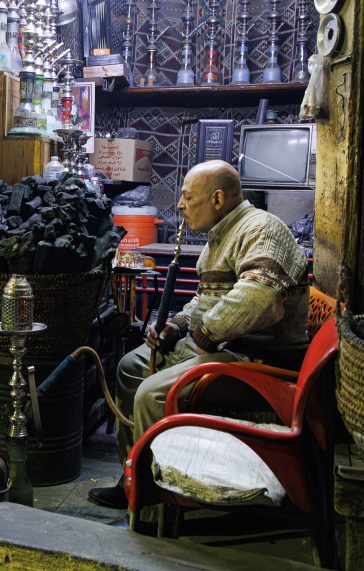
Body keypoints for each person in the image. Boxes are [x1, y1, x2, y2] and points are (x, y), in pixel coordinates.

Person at [88, 159, 310, 509]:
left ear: (218, 199)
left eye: (188, 197)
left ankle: (154, 497)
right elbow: (205, 299)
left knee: (150, 394)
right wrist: (176, 326)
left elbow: (257, 298)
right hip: (224, 348)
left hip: (255, 361)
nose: (180, 205)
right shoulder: (219, 236)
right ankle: (133, 476)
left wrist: (201, 338)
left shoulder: (261, 230)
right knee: (130, 367)